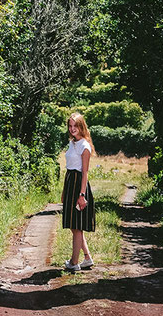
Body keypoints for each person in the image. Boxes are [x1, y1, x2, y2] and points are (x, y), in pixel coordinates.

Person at [61, 112, 95, 272]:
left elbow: (85, 173)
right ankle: (87, 258)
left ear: (82, 127)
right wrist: (64, 191)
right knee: (74, 226)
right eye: (70, 126)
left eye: (75, 126)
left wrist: (82, 195)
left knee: (77, 227)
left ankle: (74, 263)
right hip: (69, 184)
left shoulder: (84, 146)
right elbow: (69, 168)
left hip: (78, 186)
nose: (72, 129)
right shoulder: (72, 143)